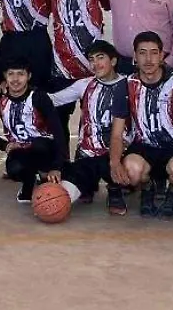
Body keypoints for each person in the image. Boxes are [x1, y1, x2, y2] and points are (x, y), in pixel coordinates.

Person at [109, 32, 173, 220]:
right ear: (134, 56)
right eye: (142, 53)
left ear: (161, 55)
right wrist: (115, 162)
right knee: (131, 171)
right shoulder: (125, 85)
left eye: (153, 53)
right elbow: (117, 134)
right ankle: (147, 188)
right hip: (143, 148)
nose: (148, 59)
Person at [50, 40, 129, 215]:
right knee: (59, 198)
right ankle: (87, 184)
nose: (95, 64)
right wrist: (21, 90)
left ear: (113, 61)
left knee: (130, 166)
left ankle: (115, 189)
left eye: (100, 58)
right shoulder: (84, 85)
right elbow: (54, 99)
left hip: (117, 155)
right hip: (87, 156)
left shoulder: (130, 85)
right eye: (91, 59)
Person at [0, 59, 68, 204]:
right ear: (5, 77)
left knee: (40, 145)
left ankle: (45, 174)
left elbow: (58, 131)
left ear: (29, 76)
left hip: (44, 148)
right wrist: (5, 145)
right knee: (14, 169)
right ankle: (29, 182)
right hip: (20, 149)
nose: (15, 79)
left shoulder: (39, 97)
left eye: (20, 74)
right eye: (11, 74)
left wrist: (57, 166)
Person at [46, 0, 107, 147]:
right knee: (58, 117)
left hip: (92, 63)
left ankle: (86, 157)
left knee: (92, 116)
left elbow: (108, 5)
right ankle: (60, 162)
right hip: (62, 64)